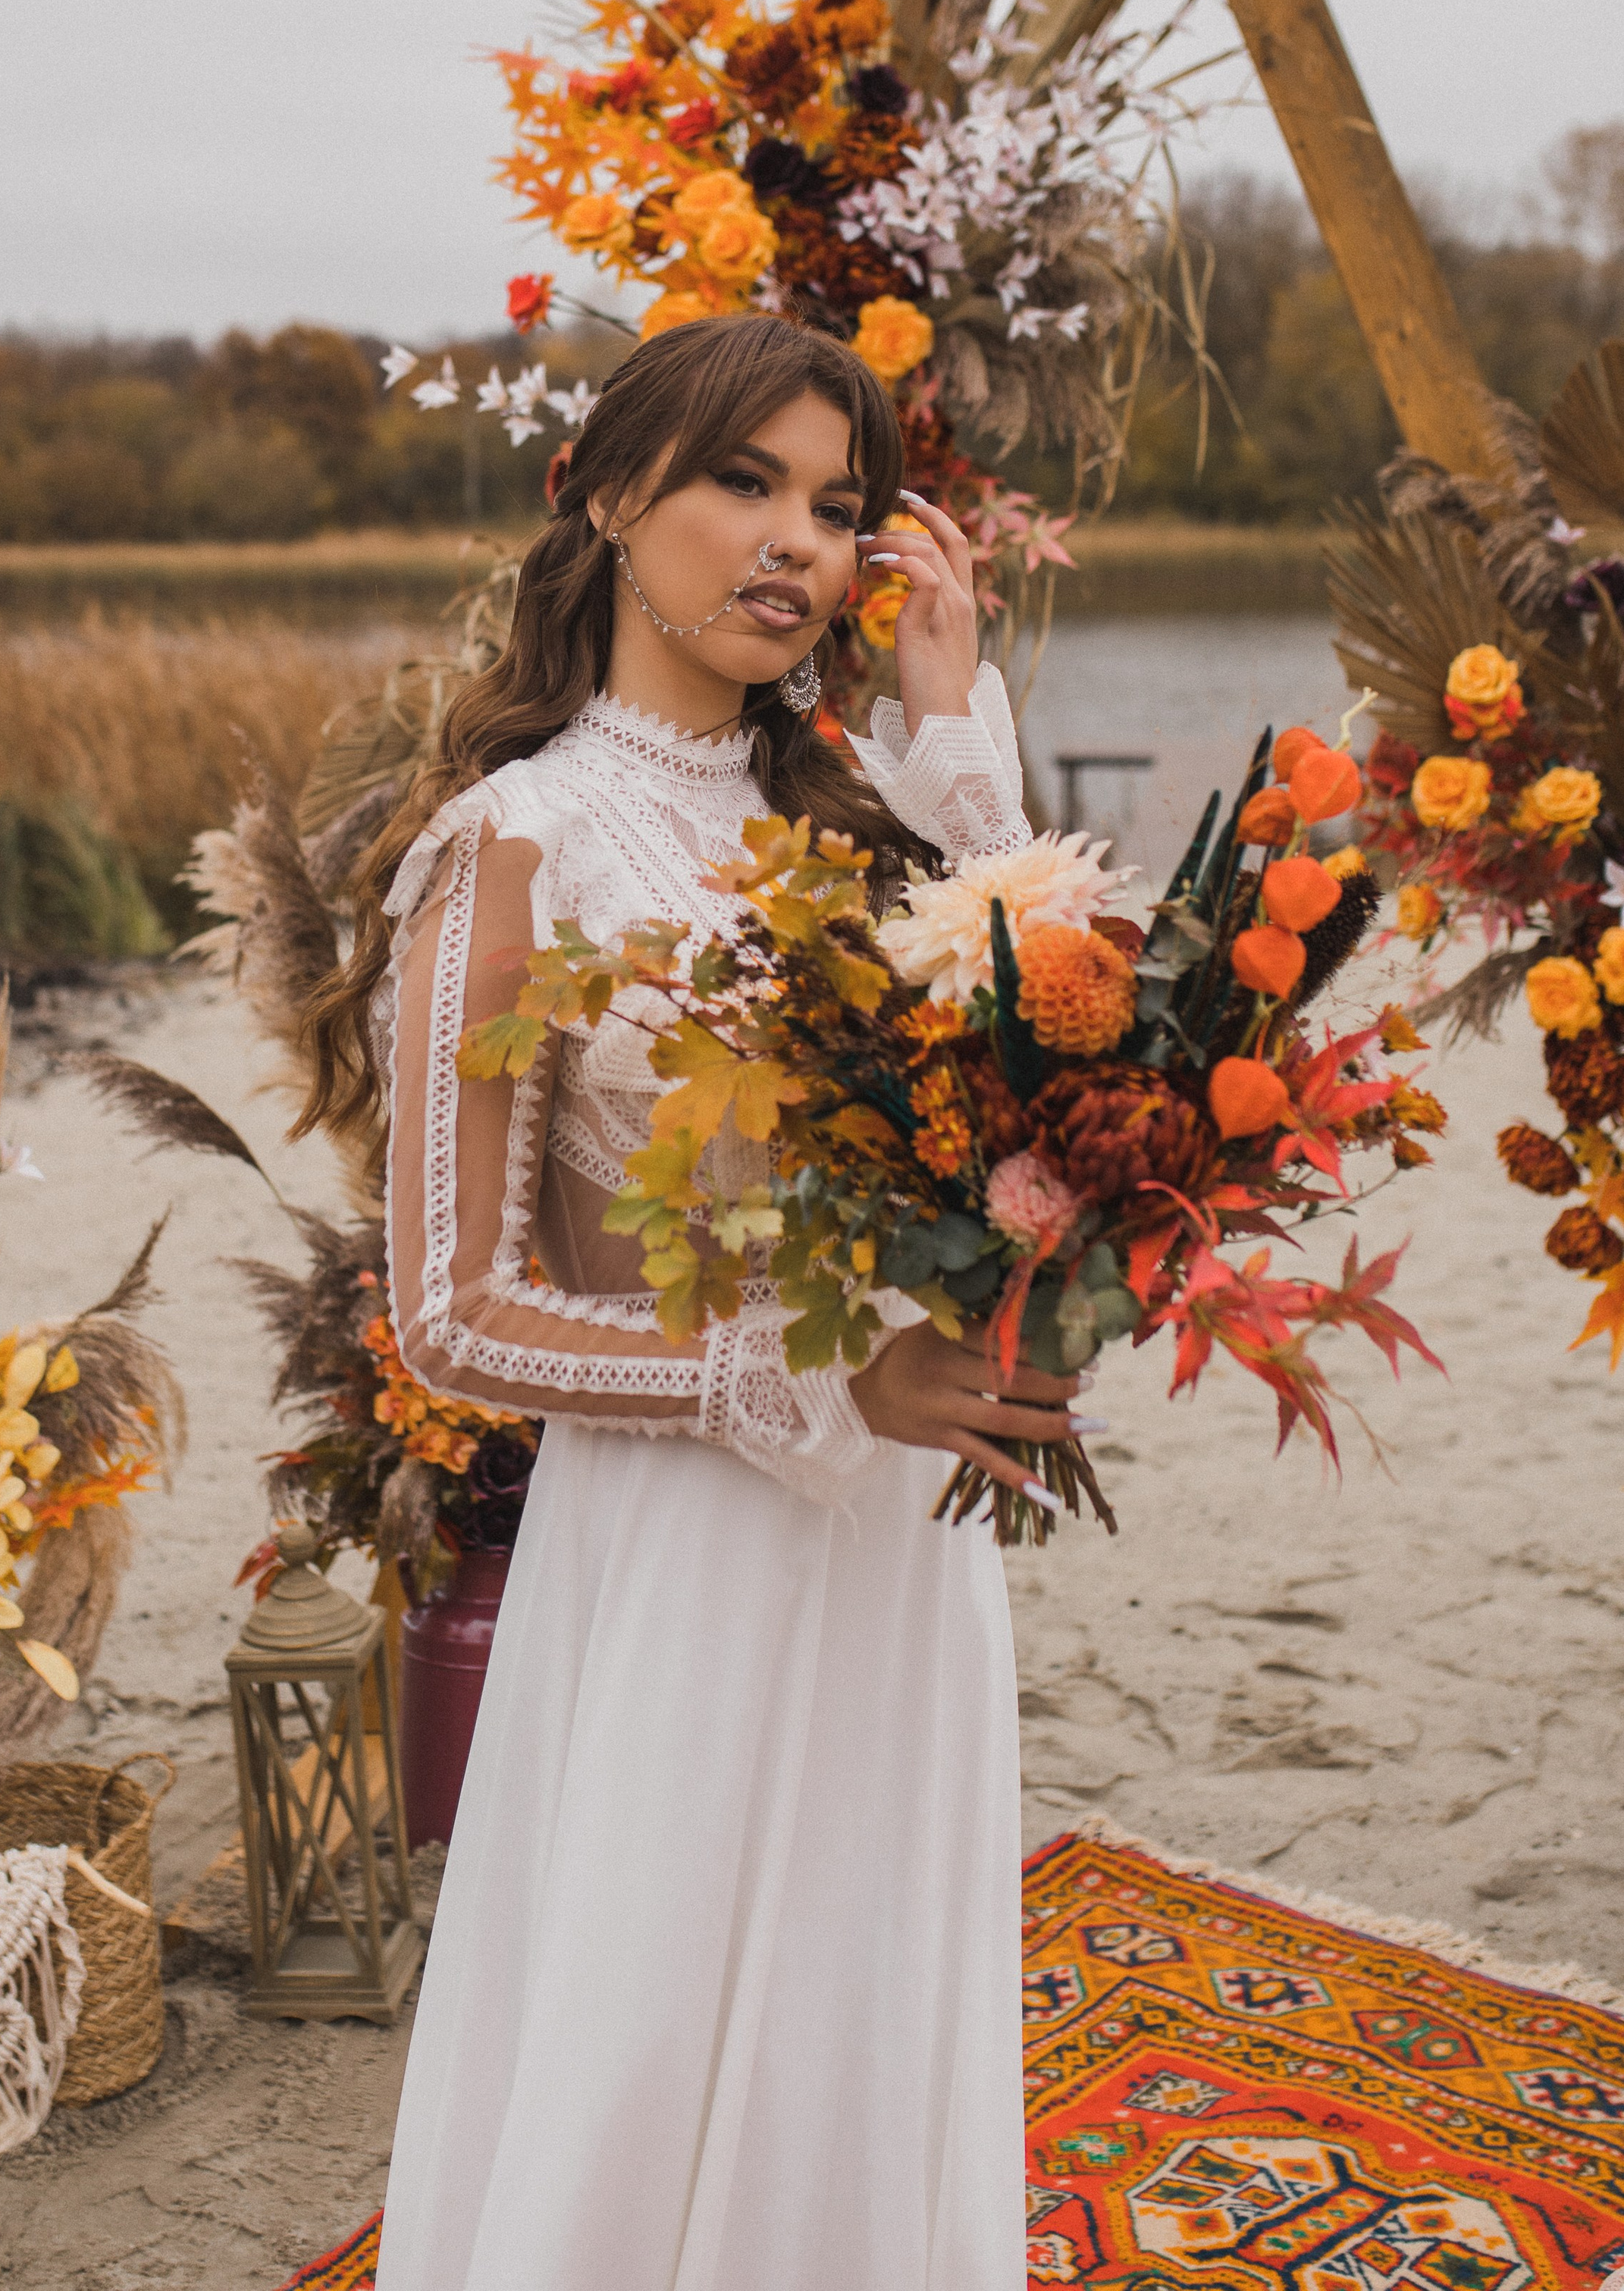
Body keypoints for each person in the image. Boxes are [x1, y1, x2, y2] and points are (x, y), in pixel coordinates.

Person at [305, 313, 1089, 2291]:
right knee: (650, 2045)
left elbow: (1035, 1091)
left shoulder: (859, 817)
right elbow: (457, 1315)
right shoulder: (510, 851)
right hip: (687, 1547)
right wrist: (824, 1386)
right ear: (602, 488)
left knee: (873, 2013)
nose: (793, 545)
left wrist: (955, 719)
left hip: (902, 1556)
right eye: (744, 480)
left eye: (837, 507)